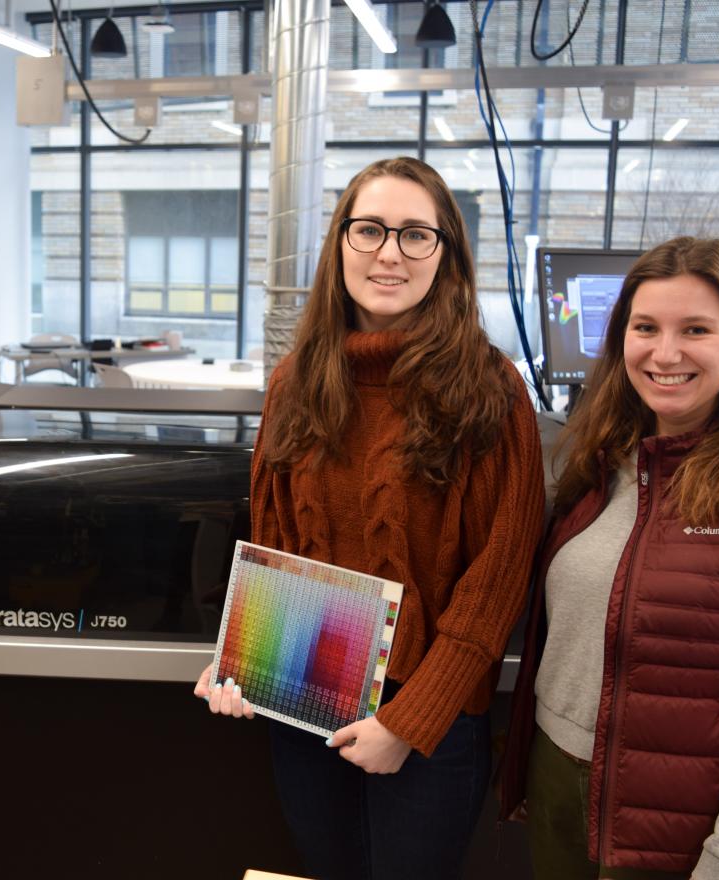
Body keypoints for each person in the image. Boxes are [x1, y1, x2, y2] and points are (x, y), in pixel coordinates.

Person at [194, 156, 547, 880]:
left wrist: (407, 723)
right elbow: (276, 545)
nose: (390, 252)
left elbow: (498, 580)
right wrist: (246, 661)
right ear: (340, 245)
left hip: (430, 727)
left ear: (446, 254)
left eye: (417, 234)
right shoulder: (297, 382)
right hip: (307, 707)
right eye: (370, 230)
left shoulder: (492, 389)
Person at [498, 237, 719, 879]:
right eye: (645, 327)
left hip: (679, 824)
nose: (665, 353)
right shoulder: (605, 461)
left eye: (695, 329)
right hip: (557, 786)